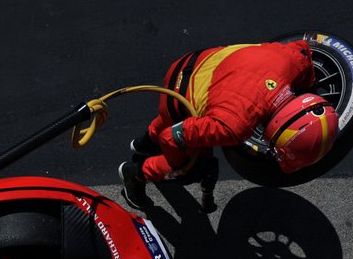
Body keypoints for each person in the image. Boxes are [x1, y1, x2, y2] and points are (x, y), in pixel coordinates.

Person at [120, 40, 337, 209]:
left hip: (194, 60)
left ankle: (144, 143)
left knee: (180, 121)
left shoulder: (294, 60)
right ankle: (135, 173)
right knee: (188, 168)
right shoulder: (234, 127)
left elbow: (306, 56)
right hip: (176, 97)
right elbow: (171, 136)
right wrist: (179, 162)